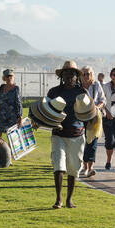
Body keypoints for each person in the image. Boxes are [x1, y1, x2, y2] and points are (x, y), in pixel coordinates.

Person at [46, 61, 86, 209]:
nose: (69, 76)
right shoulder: (54, 92)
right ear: (61, 76)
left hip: (77, 134)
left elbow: (89, 114)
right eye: (66, 74)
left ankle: (69, 199)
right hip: (58, 134)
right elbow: (46, 110)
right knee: (59, 164)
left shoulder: (82, 93)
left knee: (73, 168)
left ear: (77, 77)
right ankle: (59, 199)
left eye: (72, 74)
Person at [77, 66, 106, 179]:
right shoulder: (78, 86)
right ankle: (84, 167)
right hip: (80, 117)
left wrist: (97, 107)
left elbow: (103, 100)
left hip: (94, 117)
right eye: (84, 74)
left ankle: (90, 167)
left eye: (88, 73)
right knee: (82, 142)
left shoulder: (96, 85)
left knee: (93, 142)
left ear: (92, 74)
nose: (86, 76)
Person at [0, 69, 23, 135]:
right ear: (4, 78)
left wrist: (20, 118)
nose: (9, 78)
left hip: (12, 118)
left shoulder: (16, 88)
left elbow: (18, 104)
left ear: (13, 77)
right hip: (1, 116)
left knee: (12, 139)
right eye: (7, 76)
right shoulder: (2, 87)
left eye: (11, 76)